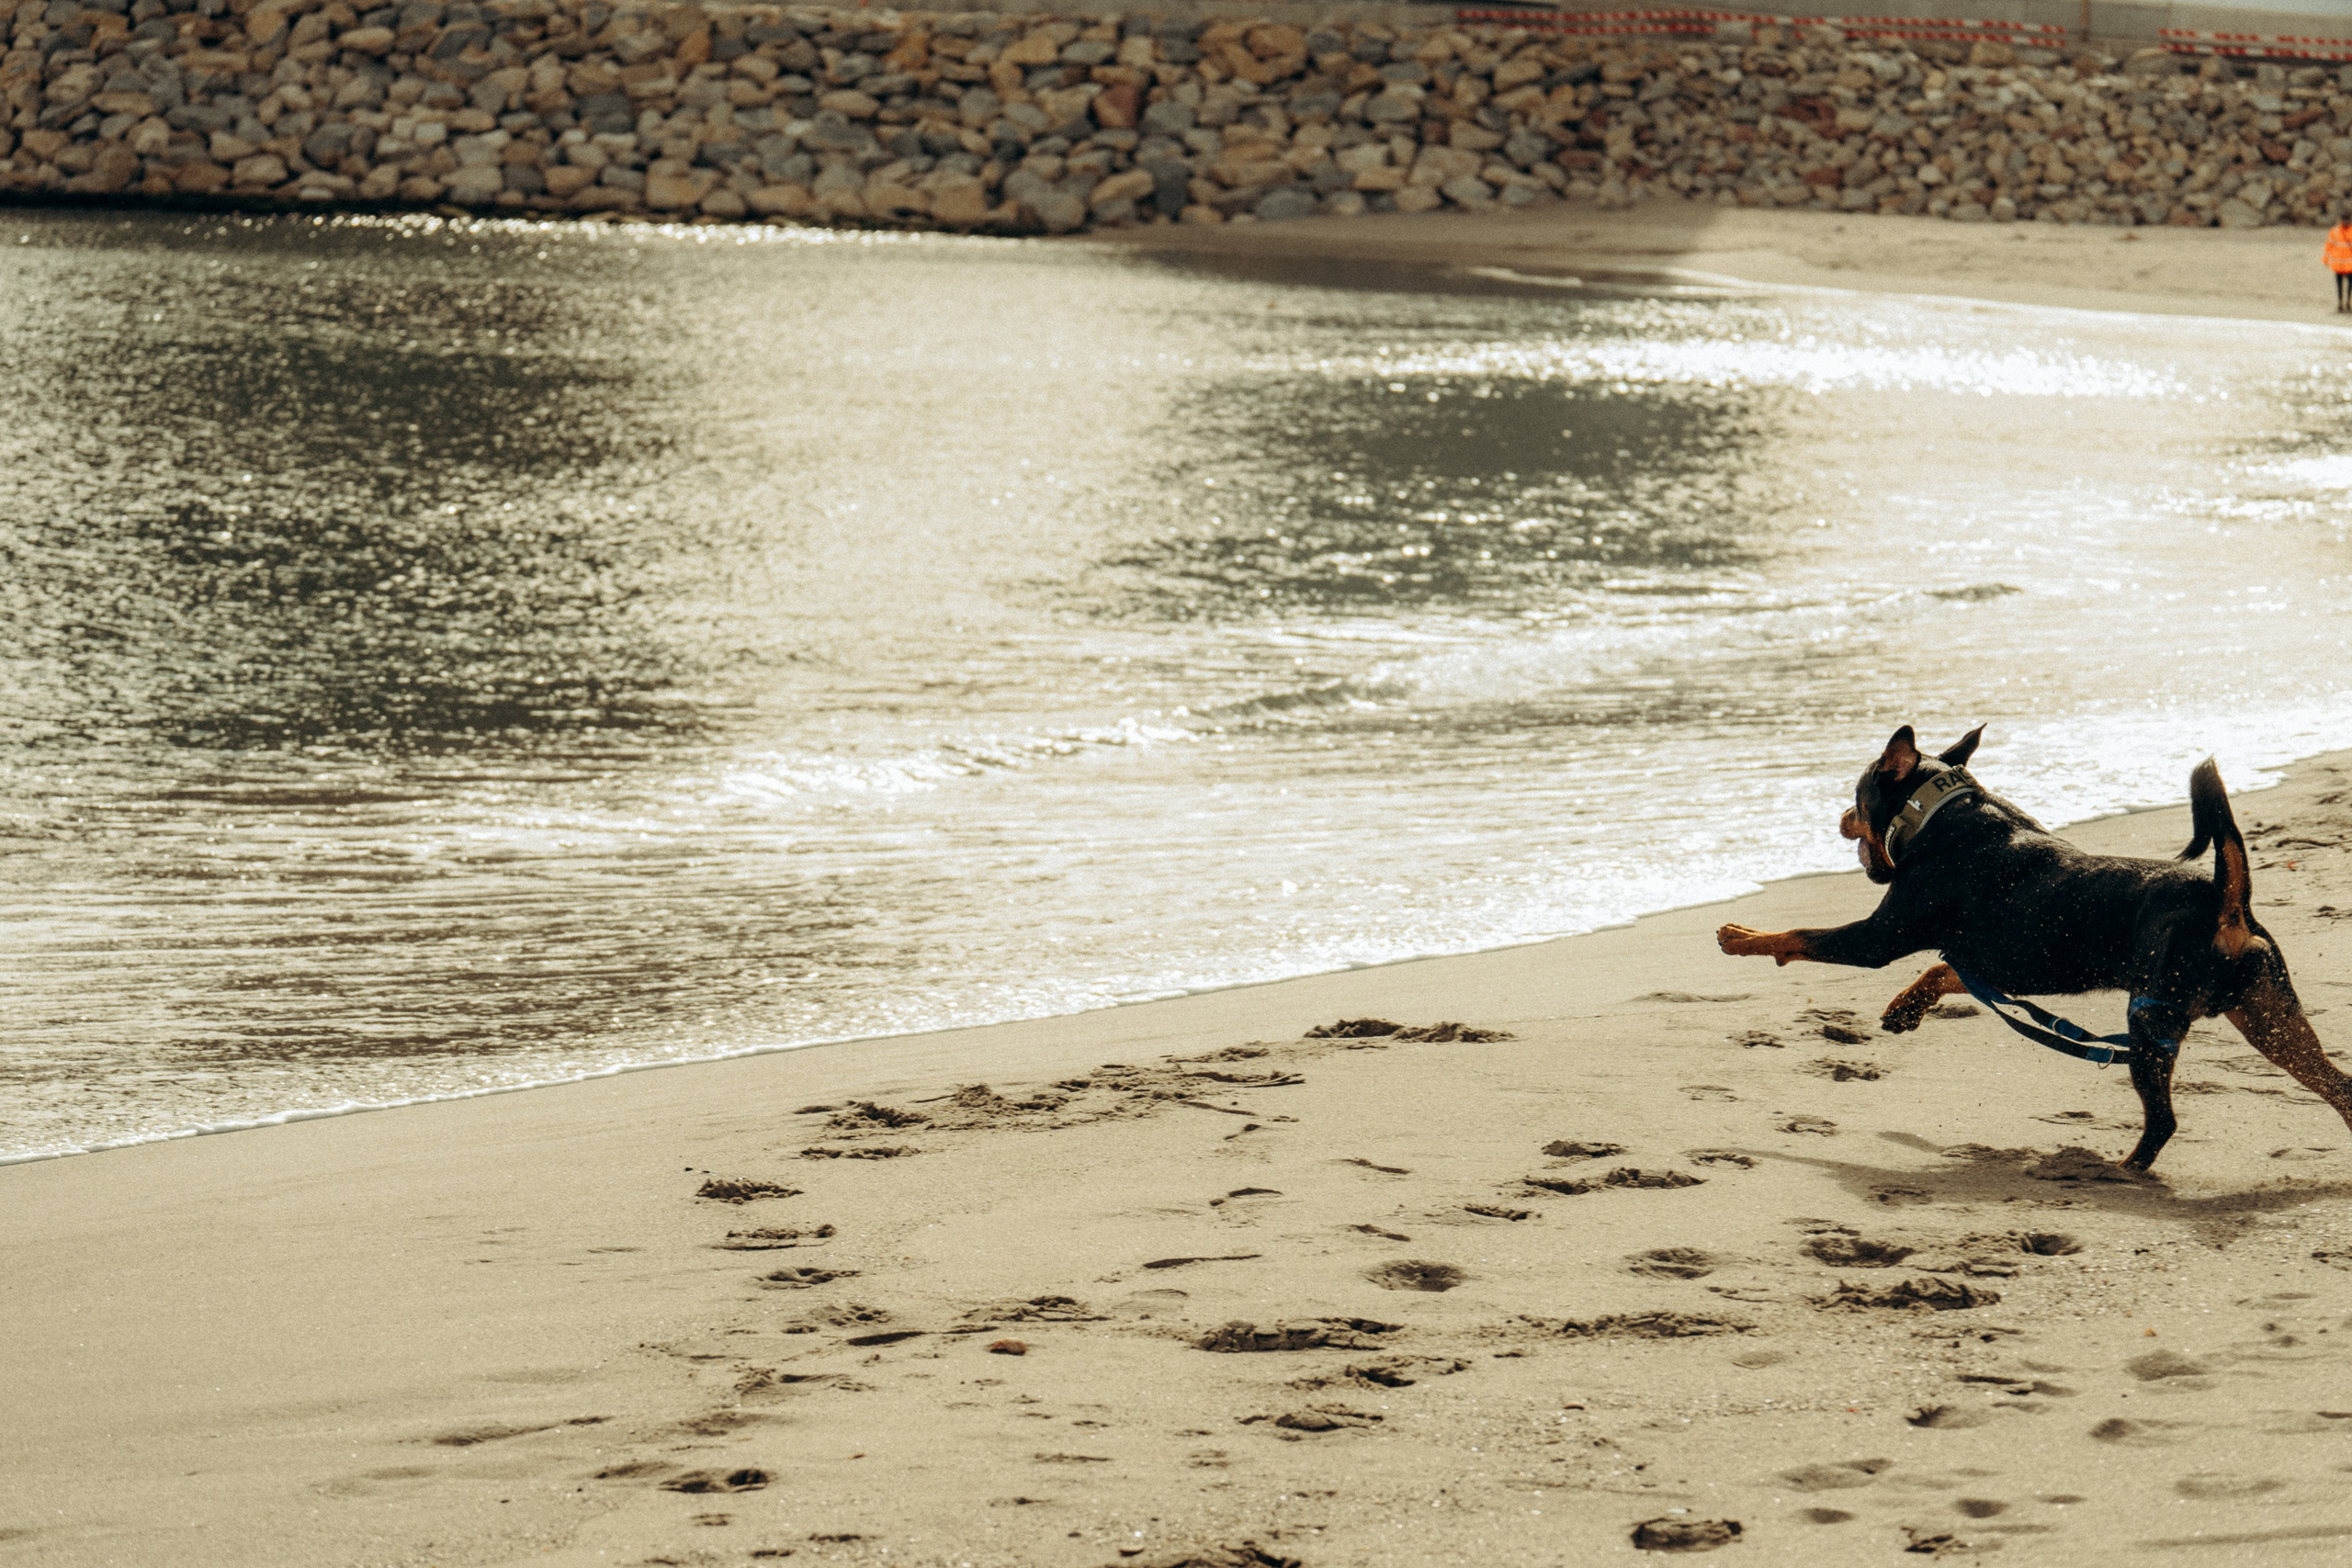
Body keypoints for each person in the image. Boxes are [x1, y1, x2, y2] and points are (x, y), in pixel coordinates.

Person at [2329, 214, 2352, 313]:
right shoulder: (2335, 231)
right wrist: (2326, 259)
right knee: (2339, 285)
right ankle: (2340, 303)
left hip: (2349, 265)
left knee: (2349, 286)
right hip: (2338, 264)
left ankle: (2348, 303)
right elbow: (2329, 245)